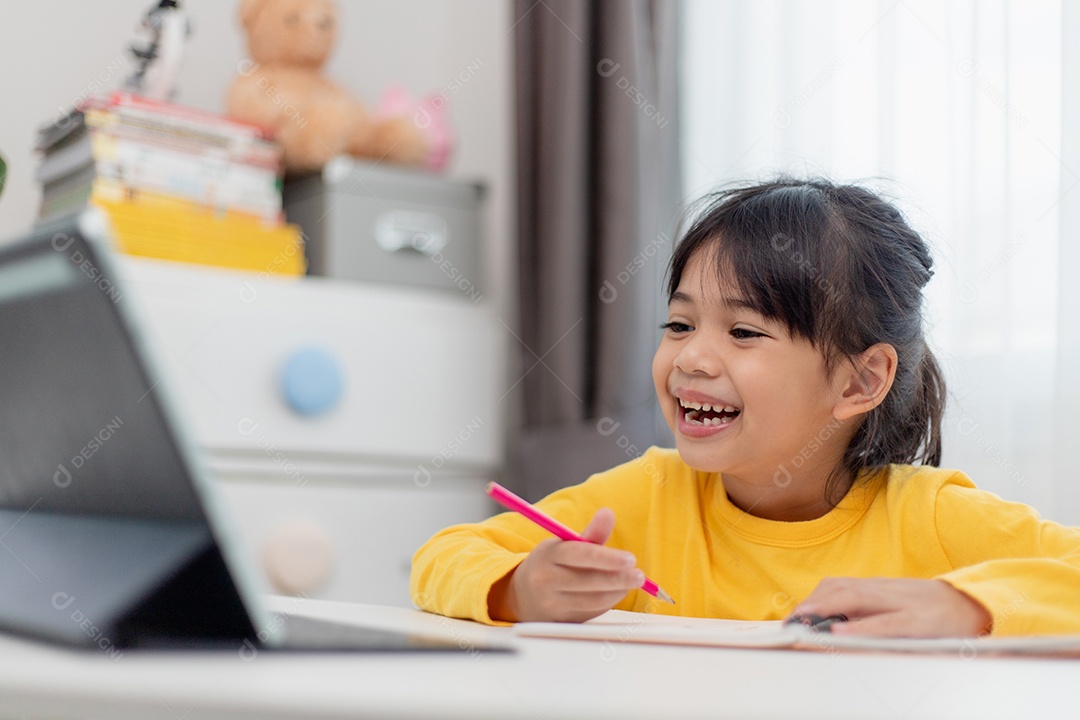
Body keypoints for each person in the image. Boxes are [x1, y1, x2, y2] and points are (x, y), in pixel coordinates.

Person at [410, 178, 1080, 637]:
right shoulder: (647, 495)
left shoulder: (929, 517)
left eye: (744, 332)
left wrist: (963, 606)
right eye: (678, 325)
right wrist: (518, 589)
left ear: (859, 381)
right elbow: (443, 555)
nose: (693, 359)